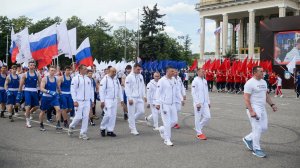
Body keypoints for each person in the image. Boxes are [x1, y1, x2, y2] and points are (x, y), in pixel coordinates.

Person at [243, 66, 278, 158]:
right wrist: (251, 111)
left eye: (263, 71)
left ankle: (248, 138)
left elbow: (265, 95)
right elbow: (246, 98)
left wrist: (272, 104)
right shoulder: (249, 83)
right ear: (255, 72)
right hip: (254, 108)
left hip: (262, 108)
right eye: (261, 71)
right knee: (257, 128)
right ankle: (256, 149)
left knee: (264, 128)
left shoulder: (264, 82)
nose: (263, 73)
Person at [155, 66, 180, 146]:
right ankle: (167, 139)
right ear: (167, 72)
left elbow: (177, 91)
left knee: (175, 121)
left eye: (174, 71)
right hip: (164, 105)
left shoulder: (174, 80)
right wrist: (157, 103)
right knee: (167, 122)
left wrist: (181, 98)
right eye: (172, 71)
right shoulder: (162, 81)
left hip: (173, 104)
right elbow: (158, 93)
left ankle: (162, 129)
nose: (174, 73)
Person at [68, 64, 94, 140]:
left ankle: (83, 133)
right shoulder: (75, 79)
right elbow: (73, 90)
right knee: (78, 117)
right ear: (80, 70)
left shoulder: (88, 79)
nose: (86, 70)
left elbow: (91, 90)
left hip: (87, 101)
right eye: (85, 69)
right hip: (79, 101)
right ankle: (71, 126)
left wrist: (92, 100)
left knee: (86, 117)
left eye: (86, 69)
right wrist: (75, 100)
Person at [99, 67, 124, 137]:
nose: (114, 73)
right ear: (109, 71)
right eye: (113, 72)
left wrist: (121, 100)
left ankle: (110, 130)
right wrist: (102, 101)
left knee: (113, 116)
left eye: (115, 72)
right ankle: (102, 128)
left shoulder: (116, 80)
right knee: (108, 114)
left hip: (114, 100)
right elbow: (101, 91)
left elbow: (119, 90)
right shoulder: (105, 79)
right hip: (107, 100)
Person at [124, 63, 146, 135]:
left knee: (142, 111)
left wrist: (144, 95)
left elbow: (143, 86)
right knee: (131, 113)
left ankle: (131, 120)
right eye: (138, 69)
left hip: (139, 97)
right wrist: (129, 98)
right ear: (134, 68)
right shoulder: (129, 77)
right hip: (132, 98)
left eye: (140, 69)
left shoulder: (141, 76)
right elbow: (127, 88)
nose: (139, 71)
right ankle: (133, 129)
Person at [18, 61, 41, 128]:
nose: (32, 66)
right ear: (28, 66)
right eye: (31, 65)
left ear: (35, 66)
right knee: (28, 106)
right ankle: (27, 121)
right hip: (27, 91)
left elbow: (40, 83)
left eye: (33, 65)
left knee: (37, 106)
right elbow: (21, 84)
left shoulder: (37, 74)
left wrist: (42, 91)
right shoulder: (25, 74)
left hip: (34, 91)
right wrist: (19, 92)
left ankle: (29, 112)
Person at [39, 66, 61, 131]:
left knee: (58, 110)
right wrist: (49, 91)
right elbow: (41, 88)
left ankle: (58, 124)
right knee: (43, 111)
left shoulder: (56, 79)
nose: (53, 72)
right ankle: (41, 124)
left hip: (53, 97)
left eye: (54, 70)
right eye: (51, 70)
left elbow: (58, 87)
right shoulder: (45, 79)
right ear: (49, 71)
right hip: (46, 97)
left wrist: (60, 93)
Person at [191, 68, 211, 140]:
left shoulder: (205, 81)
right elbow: (193, 92)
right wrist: (197, 103)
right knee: (198, 118)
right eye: (202, 72)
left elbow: (206, 92)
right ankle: (199, 133)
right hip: (198, 103)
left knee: (208, 117)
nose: (204, 73)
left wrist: (208, 102)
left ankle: (198, 127)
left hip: (205, 103)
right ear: (198, 72)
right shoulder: (195, 81)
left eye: (204, 71)